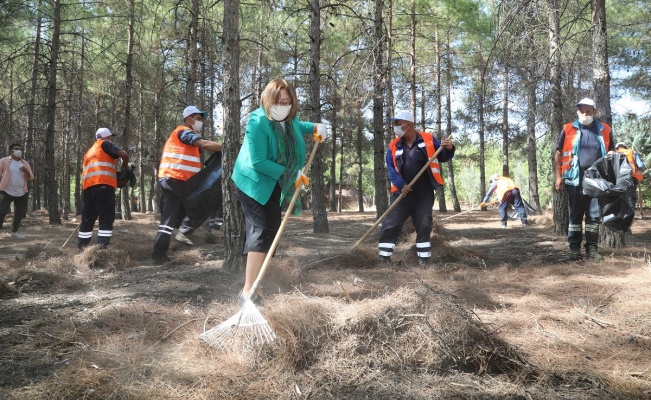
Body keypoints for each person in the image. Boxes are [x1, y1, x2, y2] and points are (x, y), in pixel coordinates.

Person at [232, 78, 330, 305]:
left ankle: (256, 283)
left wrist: (316, 127)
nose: (283, 106)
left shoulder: (289, 117)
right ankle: (248, 291)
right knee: (262, 229)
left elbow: (297, 126)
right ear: (268, 100)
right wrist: (289, 173)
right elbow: (257, 161)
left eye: (287, 102)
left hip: (273, 180)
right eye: (278, 101)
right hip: (253, 181)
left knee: (271, 231)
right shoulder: (257, 121)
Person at [377, 110, 455, 266]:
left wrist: (449, 147)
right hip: (402, 193)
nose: (395, 127)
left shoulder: (428, 139)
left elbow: (443, 157)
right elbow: (391, 169)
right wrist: (401, 185)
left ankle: (424, 259)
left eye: (397, 123)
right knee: (391, 223)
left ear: (409, 124)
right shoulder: (393, 145)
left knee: (424, 224)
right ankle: (384, 258)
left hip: (424, 194)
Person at [151, 106, 222, 262]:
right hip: (175, 179)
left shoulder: (186, 134)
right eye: (198, 118)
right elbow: (203, 144)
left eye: (201, 119)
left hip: (176, 180)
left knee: (171, 218)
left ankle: (161, 252)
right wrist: (227, 148)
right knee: (197, 204)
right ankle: (181, 234)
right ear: (189, 118)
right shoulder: (183, 132)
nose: (200, 122)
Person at [554, 98, 615, 261]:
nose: (585, 113)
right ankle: (574, 248)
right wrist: (558, 176)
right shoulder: (568, 129)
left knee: (594, 215)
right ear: (577, 111)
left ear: (594, 111)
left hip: (598, 178)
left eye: (588, 111)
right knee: (575, 214)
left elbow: (611, 151)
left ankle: (592, 249)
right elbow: (559, 154)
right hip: (575, 178)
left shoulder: (605, 129)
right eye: (582, 110)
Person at [78, 128, 130, 250]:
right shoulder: (105, 143)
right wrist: (124, 165)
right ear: (107, 137)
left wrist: (115, 179)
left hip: (88, 188)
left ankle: (82, 250)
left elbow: (98, 171)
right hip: (103, 187)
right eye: (110, 137)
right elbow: (125, 155)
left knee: (87, 220)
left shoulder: (89, 153)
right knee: (106, 218)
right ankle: (101, 250)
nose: (111, 139)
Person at [0, 144, 34, 238]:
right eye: (16, 149)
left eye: (20, 149)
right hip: (7, 191)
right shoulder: (4, 161)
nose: (19, 151)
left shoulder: (24, 163)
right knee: (1, 211)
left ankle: (14, 232)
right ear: (11, 151)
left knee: (19, 213)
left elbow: (31, 177)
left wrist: (25, 171)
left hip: (21, 192)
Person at [615, 142, 645, 212]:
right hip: (631, 178)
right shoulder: (631, 152)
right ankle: (630, 215)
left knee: (619, 197)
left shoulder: (613, 154)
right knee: (630, 197)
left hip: (617, 179)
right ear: (625, 147)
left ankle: (620, 214)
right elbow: (640, 165)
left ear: (617, 148)